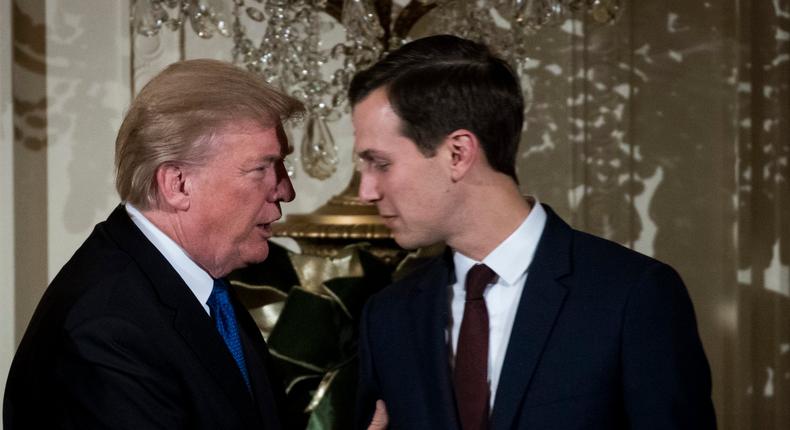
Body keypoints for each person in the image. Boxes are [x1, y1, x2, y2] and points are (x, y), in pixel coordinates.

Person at [350, 35, 716, 429]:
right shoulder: (388, 316)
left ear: (458, 153)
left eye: (380, 163)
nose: (365, 191)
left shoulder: (633, 295)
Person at [3, 59, 303, 429]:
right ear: (177, 184)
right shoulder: (106, 328)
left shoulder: (200, 289)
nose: (286, 191)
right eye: (262, 168)